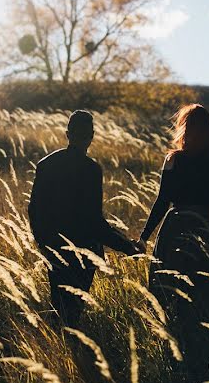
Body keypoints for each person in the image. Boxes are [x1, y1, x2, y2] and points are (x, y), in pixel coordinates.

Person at [28, 110, 142, 326]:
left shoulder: (46, 164)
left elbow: (34, 209)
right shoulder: (90, 170)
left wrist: (43, 242)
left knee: (59, 307)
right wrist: (127, 246)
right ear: (92, 135)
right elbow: (93, 221)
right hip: (83, 253)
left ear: (67, 134)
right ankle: (65, 352)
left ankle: (56, 351)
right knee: (73, 313)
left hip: (54, 249)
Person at [136, 104, 209, 310]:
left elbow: (162, 201)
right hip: (208, 227)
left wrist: (144, 237)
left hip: (175, 228)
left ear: (185, 128)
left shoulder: (173, 159)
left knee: (168, 288)